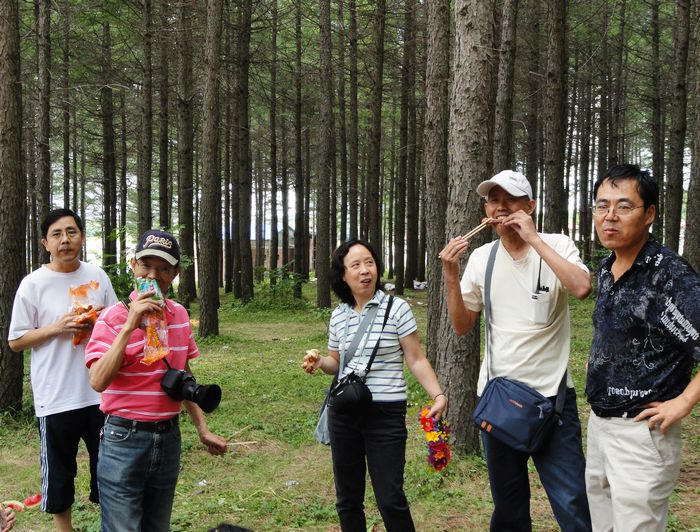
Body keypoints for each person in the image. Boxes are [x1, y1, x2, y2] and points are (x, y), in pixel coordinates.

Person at [439, 170, 593, 531]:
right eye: (494, 200)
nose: (501, 207)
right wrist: (450, 272)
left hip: (553, 401)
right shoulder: (482, 259)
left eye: (510, 200)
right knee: (509, 509)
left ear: (531, 206)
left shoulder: (557, 244)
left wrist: (534, 239)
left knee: (572, 502)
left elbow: (582, 287)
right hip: (500, 401)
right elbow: (462, 326)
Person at [85, 229, 227, 532]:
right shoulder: (112, 318)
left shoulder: (179, 315)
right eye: (146, 266)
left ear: (175, 273)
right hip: (123, 438)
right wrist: (129, 326)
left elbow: (183, 375)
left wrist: (203, 429)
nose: (154, 274)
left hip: (168, 437)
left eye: (164, 268)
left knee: (157, 526)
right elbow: (97, 380)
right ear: (133, 265)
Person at [302, 238, 446, 532]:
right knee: (348, 499)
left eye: (369, 262)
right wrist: (319, 363)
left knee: (390, 497)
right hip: (344, 414)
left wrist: (438, 395)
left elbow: (416, 359)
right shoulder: (339, 315)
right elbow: (335, 362)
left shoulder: (397, 308)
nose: (365, 270)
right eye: (355, 265)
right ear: (343, 275)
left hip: (385, 415)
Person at [585, 164, 700, 531]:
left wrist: (683, 402)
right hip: (600, 426)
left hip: (641, 434)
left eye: (624, 206)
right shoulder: (607, 268)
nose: (610, 217)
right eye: (602, 206)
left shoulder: (671, 276)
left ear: (649, 213)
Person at [8, 208, 118, 532]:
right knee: (59, 477)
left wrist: (100, 322)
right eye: (56, 234)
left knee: (109, 471)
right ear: (45, 242)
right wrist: (56, 328)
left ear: (82, 237)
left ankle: (111, 526)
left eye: (71, 232)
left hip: (100, 394)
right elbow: (16, 340)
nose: (65, 240)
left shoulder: (97, 275)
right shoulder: (33, 284)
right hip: (55, 396)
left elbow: (117, 322)